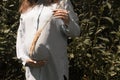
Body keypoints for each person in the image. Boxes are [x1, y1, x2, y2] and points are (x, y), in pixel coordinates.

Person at [16, 0, 80, 80]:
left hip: (54, 69)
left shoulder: (62, 3)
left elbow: (76, 32)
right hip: (32, 71)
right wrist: (25, 59)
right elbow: (21, 36)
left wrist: (68, 21)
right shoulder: (28, 5)